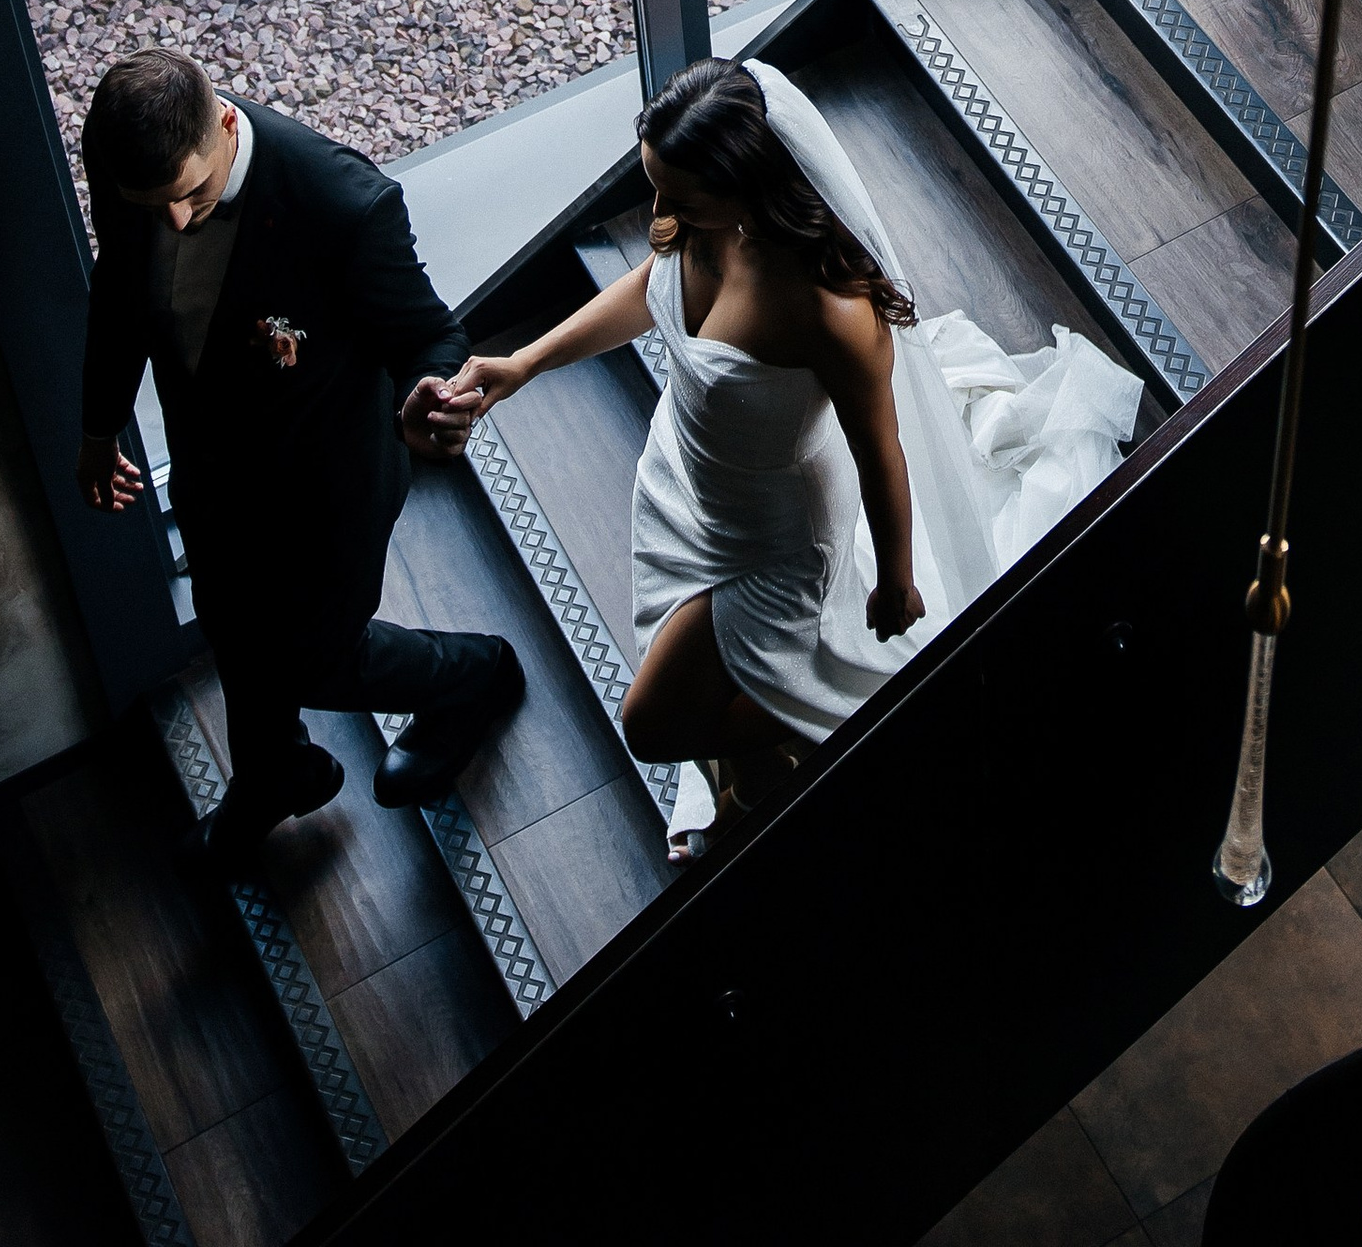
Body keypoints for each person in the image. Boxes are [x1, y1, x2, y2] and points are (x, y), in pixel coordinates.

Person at [409, 54, 1139, 851]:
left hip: (772, 543)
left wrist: (895, 578)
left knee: (651, 727)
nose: (658, 209)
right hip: (689, 482)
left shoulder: (828, 310)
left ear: (748, 185)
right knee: (687, 692)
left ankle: (855, 706)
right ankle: (761, 751)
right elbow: (651, 288)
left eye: (680, 195)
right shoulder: (695, 223)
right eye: (654, 184)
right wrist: (525, 363)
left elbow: (882, 451)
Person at [77, 48, 518, 867]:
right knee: (231, 621)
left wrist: (429, 396)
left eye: (189, 196)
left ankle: (470, 674)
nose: (171, 222)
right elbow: (119, 293)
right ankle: (273, 774)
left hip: (327, 481)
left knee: (312, 659)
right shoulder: (129, 161)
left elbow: (428, 333)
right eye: (152, 205)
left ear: (227, 126)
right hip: (213, 470)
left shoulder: (339, 203)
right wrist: (100, 428)